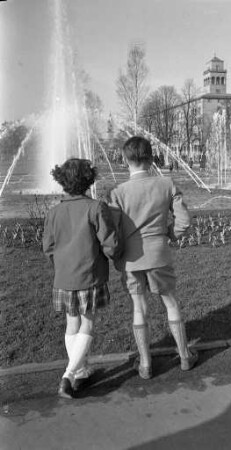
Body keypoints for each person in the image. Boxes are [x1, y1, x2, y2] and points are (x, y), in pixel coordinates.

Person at [110, 137, 198, 380]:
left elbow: (113, 231)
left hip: (131, 260)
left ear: (125, 160)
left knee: (139, 307)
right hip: (158, 254)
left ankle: (146, 364)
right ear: (151, 158)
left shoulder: (117, 192)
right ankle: (184, 357)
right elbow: (184, 221)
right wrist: (170, 234)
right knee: (170, 303)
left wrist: (117, 253)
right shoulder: (166, 184)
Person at [43, 158, 120, 399]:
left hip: (64, 277)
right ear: (88, 180)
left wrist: (60, 265)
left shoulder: (54, 212)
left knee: (72, 324)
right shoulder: (95, 208)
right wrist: (115, 254)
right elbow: (110, 244)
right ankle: (68, 375)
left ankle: (81, 371)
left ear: (62, 182)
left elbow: (48, 247)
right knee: (87, 324)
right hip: (89, 275)